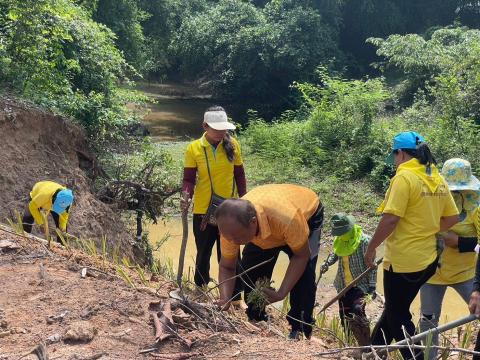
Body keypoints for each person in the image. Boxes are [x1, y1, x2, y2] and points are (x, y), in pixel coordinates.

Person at [364, 131, 459, 360]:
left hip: (403, 262)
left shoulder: (404, 177)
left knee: (398, 316)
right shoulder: (436, 177)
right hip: (428, 261)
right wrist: (426, 228)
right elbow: (452, 218)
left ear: (401, 153)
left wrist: (371, 248)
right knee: (395, 309)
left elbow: (391, 219)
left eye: (394, 156)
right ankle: (372, 352)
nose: (394, 162)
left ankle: (417, 357)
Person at [214, 184, 324, 340]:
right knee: (251, 270)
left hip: (306, 215)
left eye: (238, 238)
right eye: (229, 238)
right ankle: (256, 317)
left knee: (304, 277)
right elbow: (227, 266)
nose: (234, 242)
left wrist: (281, 292)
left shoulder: (287, 219)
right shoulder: (231, 230)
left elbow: (301, 256)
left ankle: (300, 328)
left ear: (253, 223)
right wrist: (225, 299)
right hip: (267, 219)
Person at [181, 106, 246, 303]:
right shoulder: (194, 148)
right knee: (203, 251)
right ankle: (201, 291)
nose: (220, 133)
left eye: (223, 129)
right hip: (203, 209)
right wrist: (185, 196)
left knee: (230, 253)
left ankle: (234, 298)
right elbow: (189, 179)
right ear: (205, 126)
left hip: (230, 210)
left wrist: (245, 199)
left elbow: (239, 174)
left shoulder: (233, 145)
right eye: (216, 129)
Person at [419, 158, 480, 359]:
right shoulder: (431, 199)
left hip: (466, 274)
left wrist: (460, 242)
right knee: (428, 322)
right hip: (432, 273)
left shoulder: (476, 206)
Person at [320, 213, 376, 346]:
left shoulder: (365, 242)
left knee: (357, 311)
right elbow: (335, 254)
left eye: (342, 232)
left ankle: (366, 344)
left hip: (360, 285)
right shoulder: (339, 241)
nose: (340, 235)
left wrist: (372, 287)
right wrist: (326, 264)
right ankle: (349, 345)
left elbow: (373, 266)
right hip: (343, 285)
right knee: (344, 316)